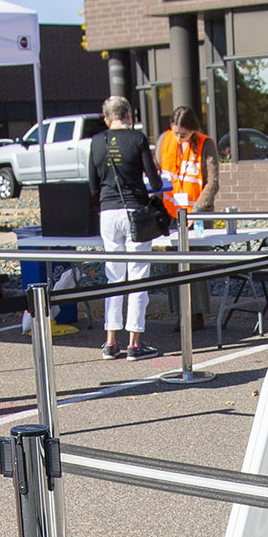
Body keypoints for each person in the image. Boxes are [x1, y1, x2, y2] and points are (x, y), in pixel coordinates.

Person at [88, 96, 164, 360]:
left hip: (108, 212)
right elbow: (154, 181)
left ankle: (110, 341)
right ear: (128, 114)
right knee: (138, 275)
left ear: (107, 118)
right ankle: (134, 343)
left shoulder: (97, 141)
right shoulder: (138, 138)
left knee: (114, 276)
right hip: (135, 211)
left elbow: (92, 185)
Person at [157, 106, 218, 326]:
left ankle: (198, 314)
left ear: (192, 130)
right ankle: (181, 313)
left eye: (183, 133)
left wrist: (198, 209)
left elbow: (213, 181)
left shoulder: (205, 144)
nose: (178, 137)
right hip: (172, 212)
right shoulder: (165, 140)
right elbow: (157, 170)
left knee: (197, 263)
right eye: (176, 132)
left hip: (197, 214)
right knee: (174, 262)